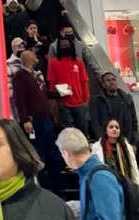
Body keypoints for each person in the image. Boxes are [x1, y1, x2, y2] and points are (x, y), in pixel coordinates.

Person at [12, 49, 63, 194]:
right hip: (35, 121)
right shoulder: (20, 76)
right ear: (27, 58)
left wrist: (58, 93)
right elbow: (19, 100)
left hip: (45, 120)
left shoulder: (34, 76)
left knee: (51, 152)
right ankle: (43, 186)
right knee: (39, 152)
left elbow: (42, 94)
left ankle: (54, 185)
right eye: (33, 55)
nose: (36, 57)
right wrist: (25, 119)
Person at [48, 37, 90, 135]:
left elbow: (84, 81)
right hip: (63, 103)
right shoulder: (53, 63)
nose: (65, 47)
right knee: (68, 133)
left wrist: (86, 99)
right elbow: (52, 83)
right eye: (62, 45)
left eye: (67, 45)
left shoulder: (78, 62)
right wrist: (55, 101)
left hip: (79, 103)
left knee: (83, 130)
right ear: (58, 48)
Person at [90, 72, 139, 144]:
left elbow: (134, 122)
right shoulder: (97, 101)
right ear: (103, 85)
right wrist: (103, 142)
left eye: (113, 79)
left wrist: (134, 143)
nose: (112, 82)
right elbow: (95, 124)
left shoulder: (127, 99)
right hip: (106, 143)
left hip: (125, 142)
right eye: (108, 80)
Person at [92, 118, 139, 188]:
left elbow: (134, 169)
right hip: (107, 185)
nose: (114, 129)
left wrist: (138, 187)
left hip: (126, 185)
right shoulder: (97, 147)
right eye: (111, 127)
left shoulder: (126, 147)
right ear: (106, 131)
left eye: (117, 127)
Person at [6, 37, 25, 118]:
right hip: (16, 99)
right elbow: (8, 84)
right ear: (13, 48)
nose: (22, 48)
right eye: (19, 46)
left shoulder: (27, 61)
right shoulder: (8, 64)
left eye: (23, 46)